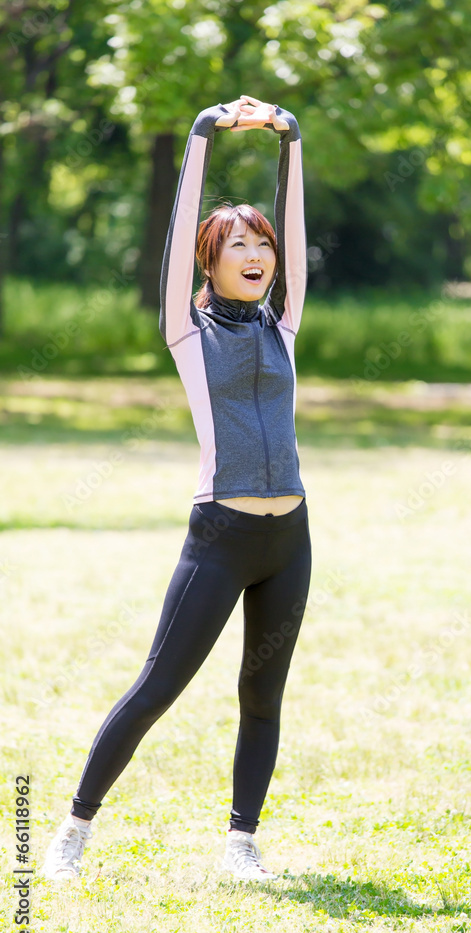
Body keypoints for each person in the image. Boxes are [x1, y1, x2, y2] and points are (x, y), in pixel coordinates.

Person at [41, 95, 311, 882]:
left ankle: (241, 843)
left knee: (263, 696)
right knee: (157, 686)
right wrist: (202, 131)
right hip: (220, 538)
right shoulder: (186, 330)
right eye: (237, 242)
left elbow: (295, 231)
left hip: (289, 541)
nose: (256, 250)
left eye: (260, 240)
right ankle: (74, 828)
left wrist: (288, 136)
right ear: (210, 261)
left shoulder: (282, 324)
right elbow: (176, 229)